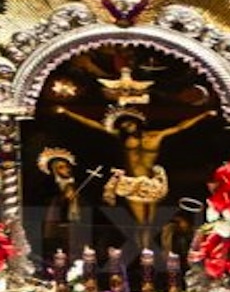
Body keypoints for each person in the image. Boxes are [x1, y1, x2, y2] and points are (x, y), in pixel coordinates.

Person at [54, 102, 216, 249]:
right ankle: (143, 250)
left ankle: (147, 251)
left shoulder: (155, 136)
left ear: (137, 122)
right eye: (124, 126)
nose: (127, 128)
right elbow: (96, 125)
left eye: (129, 124)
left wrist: (203, 115)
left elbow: (180, 127)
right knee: (140, 222)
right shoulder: (121, 137)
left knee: (151, 222)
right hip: (132, 183)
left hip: (151, 183)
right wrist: (68, 112)